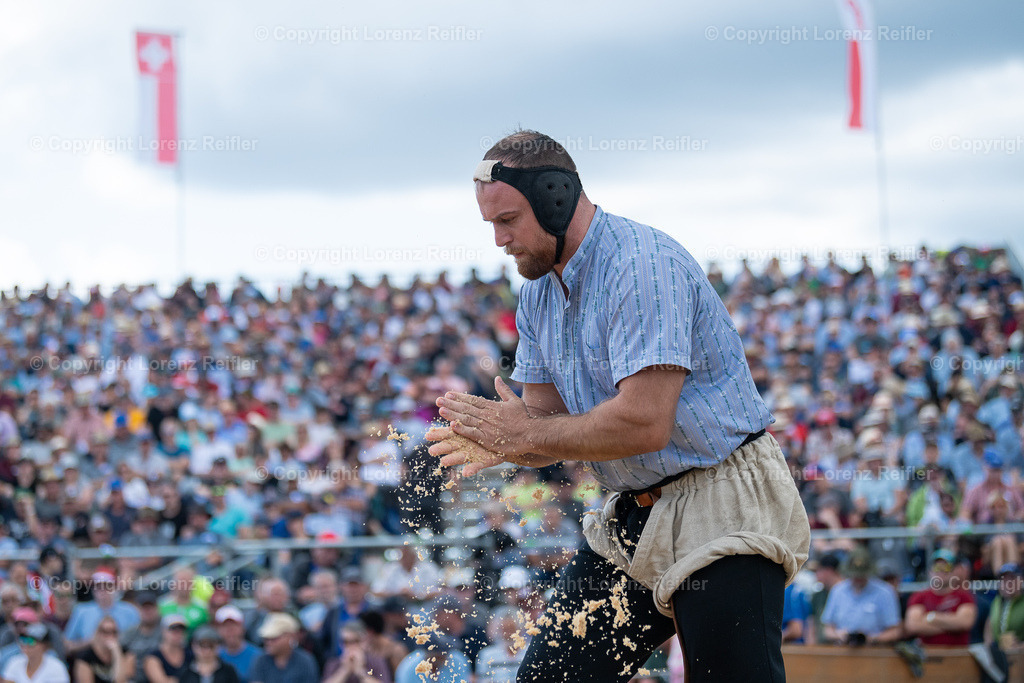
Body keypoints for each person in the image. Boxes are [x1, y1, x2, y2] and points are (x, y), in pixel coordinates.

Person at [426, 130, 810, 681]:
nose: (498, 239)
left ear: (556, 198)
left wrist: (528, 436)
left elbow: (643, 423)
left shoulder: (642, 267)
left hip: (723, 502)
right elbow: (549, 426)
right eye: (490, 223)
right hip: (634, 512)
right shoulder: (538, 289)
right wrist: (500, 437)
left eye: (507, 220)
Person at [820, 548, 903, 645]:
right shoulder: (837, 591)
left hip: (874, 651)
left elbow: (895, 631)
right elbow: (827, 630)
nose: (858, 578)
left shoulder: (885, 592)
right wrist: (840, 635)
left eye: (861, 575)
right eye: (855, 575)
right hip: (842, 650)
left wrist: (872, 638)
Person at [904, 549, 977, 646]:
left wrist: (931, 617)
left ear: (953, 571)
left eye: (946, 567)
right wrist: (952, 626)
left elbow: (965, 622)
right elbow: (912, 625)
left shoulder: (964, 596)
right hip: (928, 654)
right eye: (937, 567)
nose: (941, 571)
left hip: (957, 654)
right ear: (930, 571)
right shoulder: (919, 596)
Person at [248, 613, 318, 683]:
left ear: (291, 636)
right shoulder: (260, 661)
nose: (268, 642)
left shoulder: (305, 661)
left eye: (274, 638)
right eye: (266, 638)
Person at [321, 621, 390, 683]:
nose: (350, 646)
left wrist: (360, 672)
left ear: (364, 642)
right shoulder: (333, 663)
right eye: (345, 642)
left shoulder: (377, 662)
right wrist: (344, 670)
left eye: (355, 641)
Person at [73, 615, 136, 683]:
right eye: (104, 631)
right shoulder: (84, 657)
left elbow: (122, 681)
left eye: (113, 631)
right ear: (97, 633)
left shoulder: (127, 654)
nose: (109, 635)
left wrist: (117, 653)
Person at [0, 622, 68, 683]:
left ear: (44, 645)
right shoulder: (14, 663)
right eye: (23, 640)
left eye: (31, 641)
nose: (26, 644)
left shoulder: (56, 667)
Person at [215, 606, 262, 683]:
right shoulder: (214, 656)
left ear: (242, 627)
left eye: (234, 625)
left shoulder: (258, 656)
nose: (230, 630)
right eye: (225, 626)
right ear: (218, 630)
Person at [142, 615, 191, 683]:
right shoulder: (153, 656)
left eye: (181, 630)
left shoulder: (190, 653)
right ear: (163, 631)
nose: (178, 633)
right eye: (173, 629)